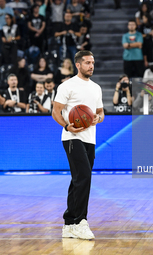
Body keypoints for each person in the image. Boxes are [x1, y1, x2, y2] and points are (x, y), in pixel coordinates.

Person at [52, 50, 104, 240]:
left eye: (93, 62)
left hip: (90, 138)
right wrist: (67, 126)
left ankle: (69, 224)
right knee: (84, 175)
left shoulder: (96, 88)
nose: (91, 66)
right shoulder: (67, 86)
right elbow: (55, 112)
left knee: (79, 179)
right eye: (88, 62)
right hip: (72, 137)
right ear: (78, 65)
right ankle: (80, 221)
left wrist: (98, 117)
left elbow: (101, 113)